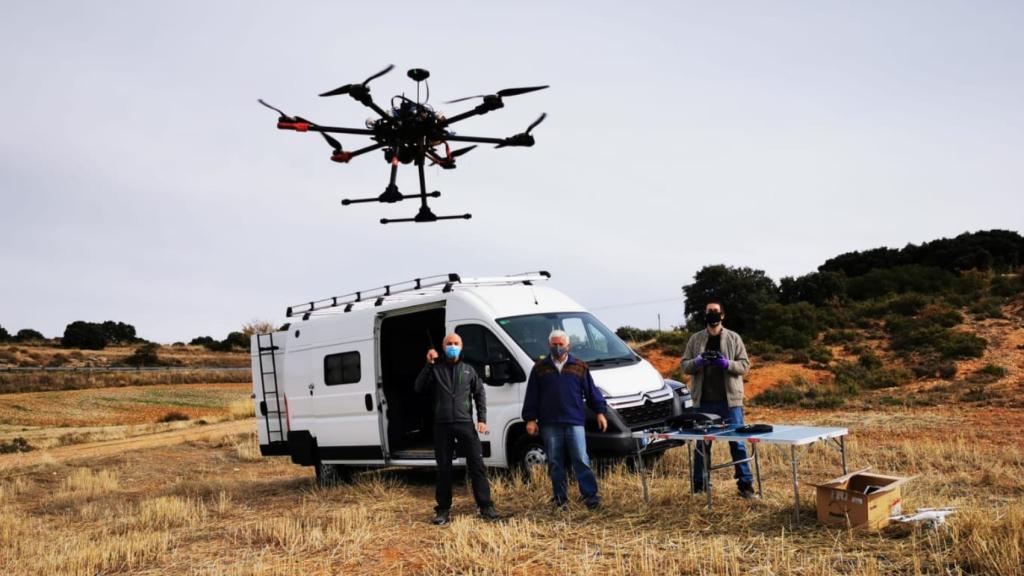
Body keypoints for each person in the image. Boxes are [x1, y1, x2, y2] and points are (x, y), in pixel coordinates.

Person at [414, 332, 502, 525]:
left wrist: (482, 419)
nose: (452, 346)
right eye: (449, 343)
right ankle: (443, 510)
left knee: (477, 466)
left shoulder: (469, 370)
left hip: (465, 424)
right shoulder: (435, 369)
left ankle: (486, 506)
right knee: (443, 468)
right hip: (441, 425)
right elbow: (418, 387)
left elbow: (480, 394)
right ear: (443, 347)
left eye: (456, 343)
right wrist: (428, 364)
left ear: (461, 347)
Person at [522, 330, 609, 510]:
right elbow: (532, 396)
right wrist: (530, 419)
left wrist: (600, 412)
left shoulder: (579, 366)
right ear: (549, 345)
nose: (558, 347)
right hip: (549, 423)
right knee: (555, 462)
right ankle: (560, 499)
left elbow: (591, 392)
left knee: (581, 459)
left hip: (574, 421)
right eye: (554, 344)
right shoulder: (539, 368)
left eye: (561, 344)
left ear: (568, 345)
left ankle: (590, 497)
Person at [681, 301, 756, 498]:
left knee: (738, 443)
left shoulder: (733, 338)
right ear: (704, 315)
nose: (712, 315)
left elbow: (744, 366)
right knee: (702, 445)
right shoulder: (696, 339)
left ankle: (745, 486)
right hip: (703, 402)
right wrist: (698, 361)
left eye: (715, 312)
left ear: (722, 315)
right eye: (708, 312)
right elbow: (685, 366)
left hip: (730, 402)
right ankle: (700, 486)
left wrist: (726, 363)